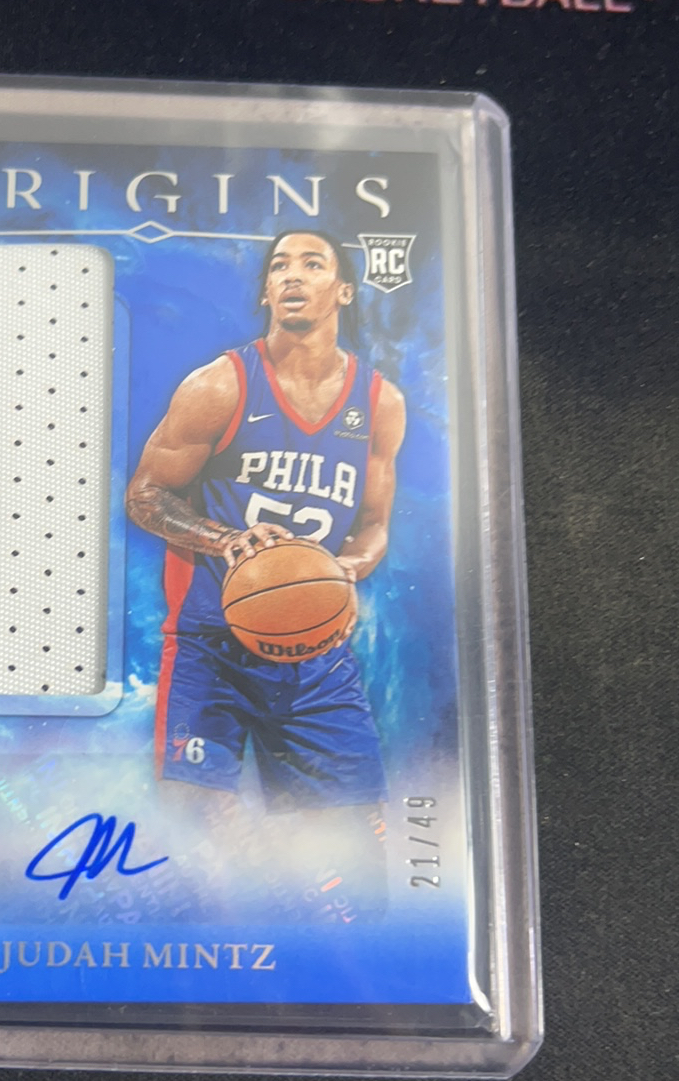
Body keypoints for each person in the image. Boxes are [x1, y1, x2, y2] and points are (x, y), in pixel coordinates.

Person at [126, 230, 406, 916]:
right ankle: (225, 944)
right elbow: (145, 495)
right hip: (212, 643)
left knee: (356, 853)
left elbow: (374, 524)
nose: (292, 275)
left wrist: (345, 568)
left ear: (343, 290)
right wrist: (225, 539)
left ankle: (343, 959)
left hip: (316, 651)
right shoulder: (220, 384)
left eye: (312, 263)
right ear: (265, 293)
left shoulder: (378, 403)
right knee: (192, 827)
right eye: (279, 266)